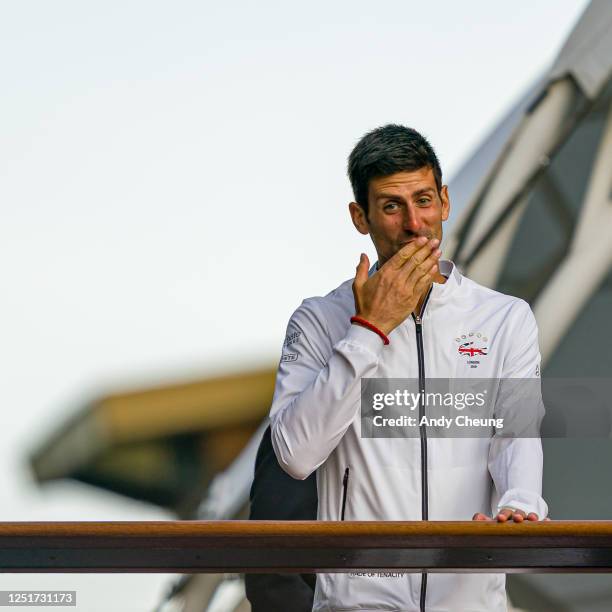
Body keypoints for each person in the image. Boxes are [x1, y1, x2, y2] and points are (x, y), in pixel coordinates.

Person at [268, 124, 548, 612]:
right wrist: (368, 329)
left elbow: (518, 437)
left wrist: (520, 506)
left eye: (424, 200)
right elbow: (295, 454)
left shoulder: (505, 317)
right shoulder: (318, 319)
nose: (415, 225)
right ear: (361, 217)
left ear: (444, 201)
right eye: (392, 206)